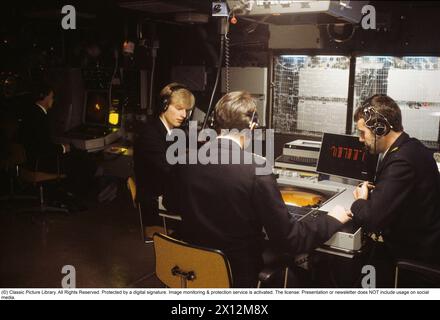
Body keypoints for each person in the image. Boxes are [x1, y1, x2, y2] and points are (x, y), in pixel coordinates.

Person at [168, 91, 352, 287]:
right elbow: (290, 240)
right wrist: (333, 219)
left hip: (193, 269)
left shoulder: (185, 161)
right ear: (252, 126)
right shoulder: (257, 170)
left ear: (216, 124)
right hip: (236, 274)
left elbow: (172, 205)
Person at [352, 94, 440, 266]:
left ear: (381, 129)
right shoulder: (411, 146)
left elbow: (372, 220)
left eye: (363, 133)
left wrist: (360, 201)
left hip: (415, 255)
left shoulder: (401, 162)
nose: (360, 139)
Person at [18, 82, 97, 207]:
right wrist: (63, 148)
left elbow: (35, 142)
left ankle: (66, 195)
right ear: (44, 97)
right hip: (40, 162)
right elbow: (43, 148)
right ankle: (75, 199)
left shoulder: (29, 113)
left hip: (29, 162)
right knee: (82, 159)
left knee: (77, 154)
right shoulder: (40, 117)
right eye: (52, 96)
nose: (53, 100)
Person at [133, 82, 195, 240]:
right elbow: (169, 168)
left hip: (167, 190)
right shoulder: (150, 134)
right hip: (154, 201)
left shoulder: (175, 131)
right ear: (164, 105)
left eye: (187, 110)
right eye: (179, 108)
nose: (184, 115)